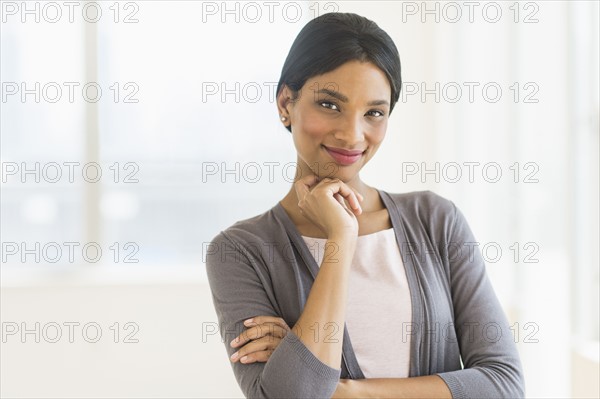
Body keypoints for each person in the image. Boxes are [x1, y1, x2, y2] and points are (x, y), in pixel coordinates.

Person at [206, 12, 525, 399]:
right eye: (329, 104)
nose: (352, 134)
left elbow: (503, 385)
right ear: (286, 102)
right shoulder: (240, 250)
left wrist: (344, 391)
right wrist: (341, 238)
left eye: (374, 112)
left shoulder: (436, 221)